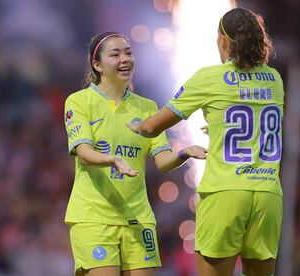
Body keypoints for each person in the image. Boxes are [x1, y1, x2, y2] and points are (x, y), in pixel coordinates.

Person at [127, 8, 284, 276]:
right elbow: (249, 117)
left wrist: (139, 125)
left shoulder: (209, 78)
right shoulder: (275, 80)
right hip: (268, 194)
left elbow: (153, 127)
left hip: (225, 193)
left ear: (224, 40)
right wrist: (220, 127)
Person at [64, 31, 207, 276]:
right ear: (97, 65)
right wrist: (112, 160)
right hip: (94, 217)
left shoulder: (147, 107)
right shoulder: (79, 102)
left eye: (128, 52)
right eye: (115, 54)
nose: (125, 59)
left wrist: (183, 153)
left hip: (138, 218)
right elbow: (84, 152)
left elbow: (162, 162)